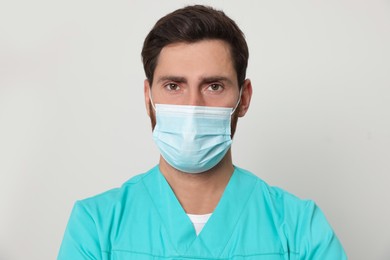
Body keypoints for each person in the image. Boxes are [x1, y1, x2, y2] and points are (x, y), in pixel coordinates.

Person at [58, 5, 346, 259]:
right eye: (174, 86)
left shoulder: (299, 229)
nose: (193, 107)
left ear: (243, 98)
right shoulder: (97, 226)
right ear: (148, 98)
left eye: (214, 86)